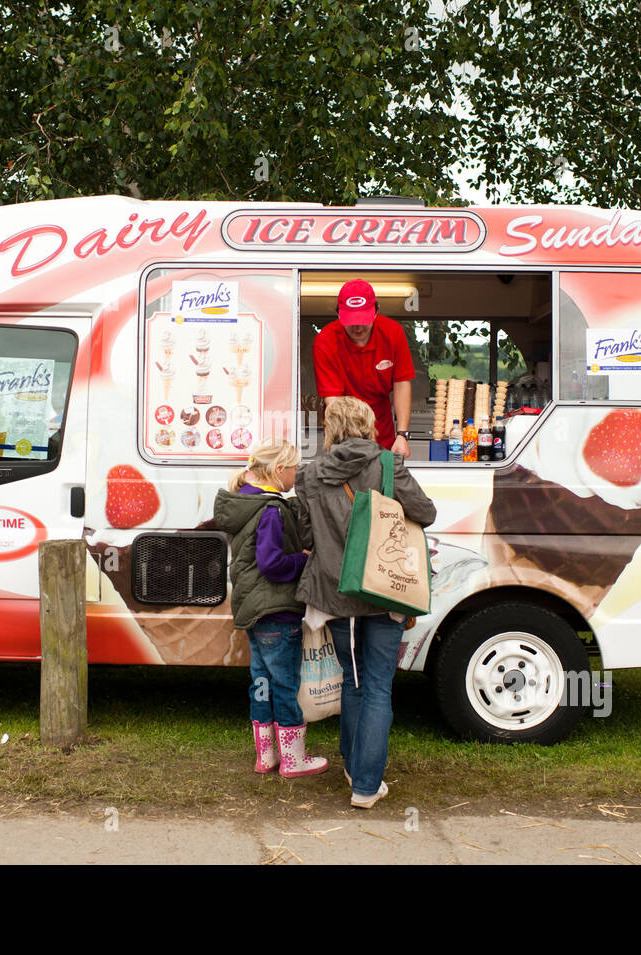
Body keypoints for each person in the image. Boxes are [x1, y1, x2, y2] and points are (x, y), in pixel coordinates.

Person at [294, 396, 436, 809]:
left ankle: (356, 769)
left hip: (334, 595)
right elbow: (425, 513)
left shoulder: (309, 474)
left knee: (353, 683)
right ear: (369, 424)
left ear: (331, 428)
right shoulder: (389, 465)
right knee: (376, 687)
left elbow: (305, 537)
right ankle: (366, 785)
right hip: (385, 591)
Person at [214, 438, 327, 778]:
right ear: (279, 471)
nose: (297, 474)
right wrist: (302, 560)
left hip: (254, 611)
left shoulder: (244, 503)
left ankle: (266, 757)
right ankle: (294, 759)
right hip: (277, 611)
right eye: (295, 468)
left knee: (261, 683)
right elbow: (271, 563)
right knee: (285, 684)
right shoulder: (272, 510)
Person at [312, 279, 417, 458]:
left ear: (376, 312)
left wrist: (402, 435)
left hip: (383, 432)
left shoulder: (393, 333)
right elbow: (333, 400)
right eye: (352, 321)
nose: (358, 327)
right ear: (339, 315)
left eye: (363, 320)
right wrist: (348, 443)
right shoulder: (325, 341)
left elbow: (401, 384)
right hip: (343, 432)